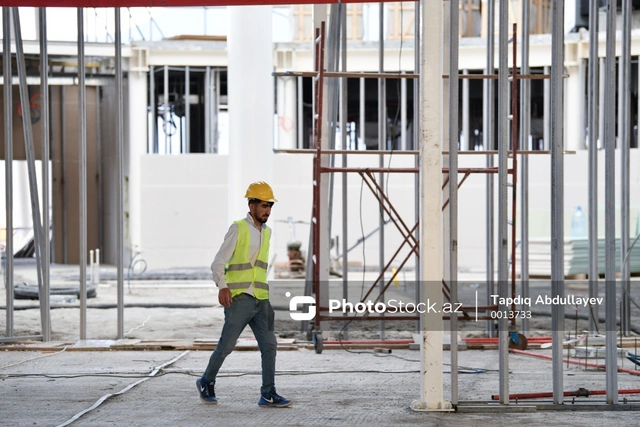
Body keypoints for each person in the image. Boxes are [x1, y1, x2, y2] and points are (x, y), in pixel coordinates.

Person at [196, 181, 293, 408]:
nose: (267, 210)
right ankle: (206, 381)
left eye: (270, 206)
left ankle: (268, 393)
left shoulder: (267, 233)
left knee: (270, 346)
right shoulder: (238, 228)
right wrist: (222, 286)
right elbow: (218, 262)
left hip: (261, 299)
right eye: (263, 206)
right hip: (239, 298)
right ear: (251, 205)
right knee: (227, 345)